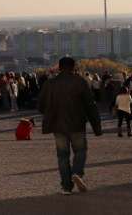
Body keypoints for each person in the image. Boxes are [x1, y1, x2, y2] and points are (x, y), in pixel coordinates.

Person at [38, 57, 102, 195]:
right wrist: (97, 127)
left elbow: (41, 105)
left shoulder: (50, 83)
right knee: (80, 151)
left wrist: (50, 113)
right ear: (73, 67)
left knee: (62, 155)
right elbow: (90, 105)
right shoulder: (80, 82)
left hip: (58, 125)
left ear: (59, 68)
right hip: (77, 123)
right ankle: (77, 173)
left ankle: (66, 187)